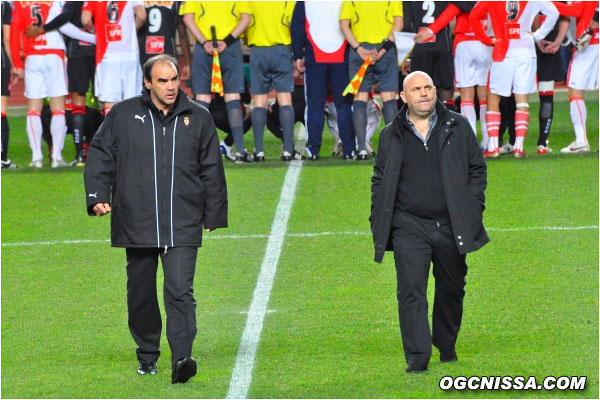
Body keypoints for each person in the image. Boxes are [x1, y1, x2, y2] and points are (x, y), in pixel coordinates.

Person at [84, 54, 228, 384]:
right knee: (141, 292)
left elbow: (211, 169)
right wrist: (97, 196)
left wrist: (215, 212)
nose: (170, 86)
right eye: (162, 80)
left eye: (174, 79)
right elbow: (101, 154)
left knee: (180, 290)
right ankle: (147, 354)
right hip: (136, 218)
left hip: (183, 219)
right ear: (147, 83)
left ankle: (183, 357)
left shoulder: (199, 118)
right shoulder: (122, 115)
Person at [370, 71, 488, 373]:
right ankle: (417, 359)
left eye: (428, 87)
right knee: (410, 290)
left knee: (451, 288)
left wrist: (472, 208)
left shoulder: (458, 126)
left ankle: (446, 344)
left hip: (451, 224)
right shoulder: (390, 134)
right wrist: (380, 215)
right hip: (409, 224)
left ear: (435, 91)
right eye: (416, 89)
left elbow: (477, 170)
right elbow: (380, 179)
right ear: (404, 97)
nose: (424, 93)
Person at [469, 1, 558, 159]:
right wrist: (537, 35)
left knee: (493, 97)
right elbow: (554, 12)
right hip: (526, 51)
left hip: (502, 51)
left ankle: (493, 147)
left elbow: (473, 17)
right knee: (522, 99)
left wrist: (487, 40)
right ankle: (518, 147)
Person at [10, 1, 91, 168]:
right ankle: (56, 157)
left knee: (33, 109)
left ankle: (36, 158)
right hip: (54, 54)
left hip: (33, 55)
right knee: (58, 108)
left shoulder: (20, 3)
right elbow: (64, 22)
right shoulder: (56, 1)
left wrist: (17, 63)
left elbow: (14, 31)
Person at [180, 1, 252, 163]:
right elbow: (246, 19)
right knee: (233, 98)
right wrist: (226, 41)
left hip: (203, 47)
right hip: (230, 47)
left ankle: (197, 154)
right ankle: (240, 151)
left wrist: (204, 42)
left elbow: (187, 19)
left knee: (202, 100)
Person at [414, 2, 492, 149]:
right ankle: (489, 142)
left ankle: (470, 142)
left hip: (464, 44)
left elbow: (449, 13)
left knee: (466, 95)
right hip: (484, 42)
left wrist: (430, 31)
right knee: (485, 96)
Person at [291, 0, 355, 160]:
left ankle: (313, 149)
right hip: (341, 55)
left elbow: (297, 26)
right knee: (344, 104)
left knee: (314, 105)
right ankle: (349, 149)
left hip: (315, 55)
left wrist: (298, 54)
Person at [340, 1, 403, 161]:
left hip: (359, 52)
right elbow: (399, 24)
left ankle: (361, 148)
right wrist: (382, 49)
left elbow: (344, 25)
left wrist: (358, 48)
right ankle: (393, 148)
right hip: (385, 51)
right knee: (388, 98)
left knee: (360, 98)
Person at [246, 1, 303, 161]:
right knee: (285, 99)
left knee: (259, 101)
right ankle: (288, 150)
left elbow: (245, 21)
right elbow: (294, 25)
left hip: (258, 49)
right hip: (281, 50)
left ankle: (258, 152)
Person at [82, 1, 147, 117]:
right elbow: (142, 15)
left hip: (107, 56)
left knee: (110, 101)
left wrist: (94, 30)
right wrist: (132, 29)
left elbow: (86, 19)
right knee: (133, 101)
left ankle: (113, 134)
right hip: (130, 55)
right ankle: (132, 134)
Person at [553, 1, 598, 154]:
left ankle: (581, 141)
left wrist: (546, 3)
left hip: (589, 43)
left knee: (575, 91)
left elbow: (576, 10)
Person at [403, 1, 455, 108]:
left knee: (420, 88)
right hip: (442, 45)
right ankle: (447, 120)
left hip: (419, 46)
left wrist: (406, 57)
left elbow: (407, 25)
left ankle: (424, 121)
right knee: (445, 88)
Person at [534, 13, 569, 155]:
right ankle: (541, 143)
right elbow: (565, 18)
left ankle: (509, 142)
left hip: (525, 44)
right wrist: (557, 41)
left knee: (512, 95)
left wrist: (538, 38)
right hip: (550, 43)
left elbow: (534, 14)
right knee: (546, 96)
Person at [1, 0, 17, 169]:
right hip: (1, 61)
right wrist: (13, 64)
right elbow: (6, 37)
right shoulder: (4, 5)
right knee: (1, 111)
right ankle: (2, 158)